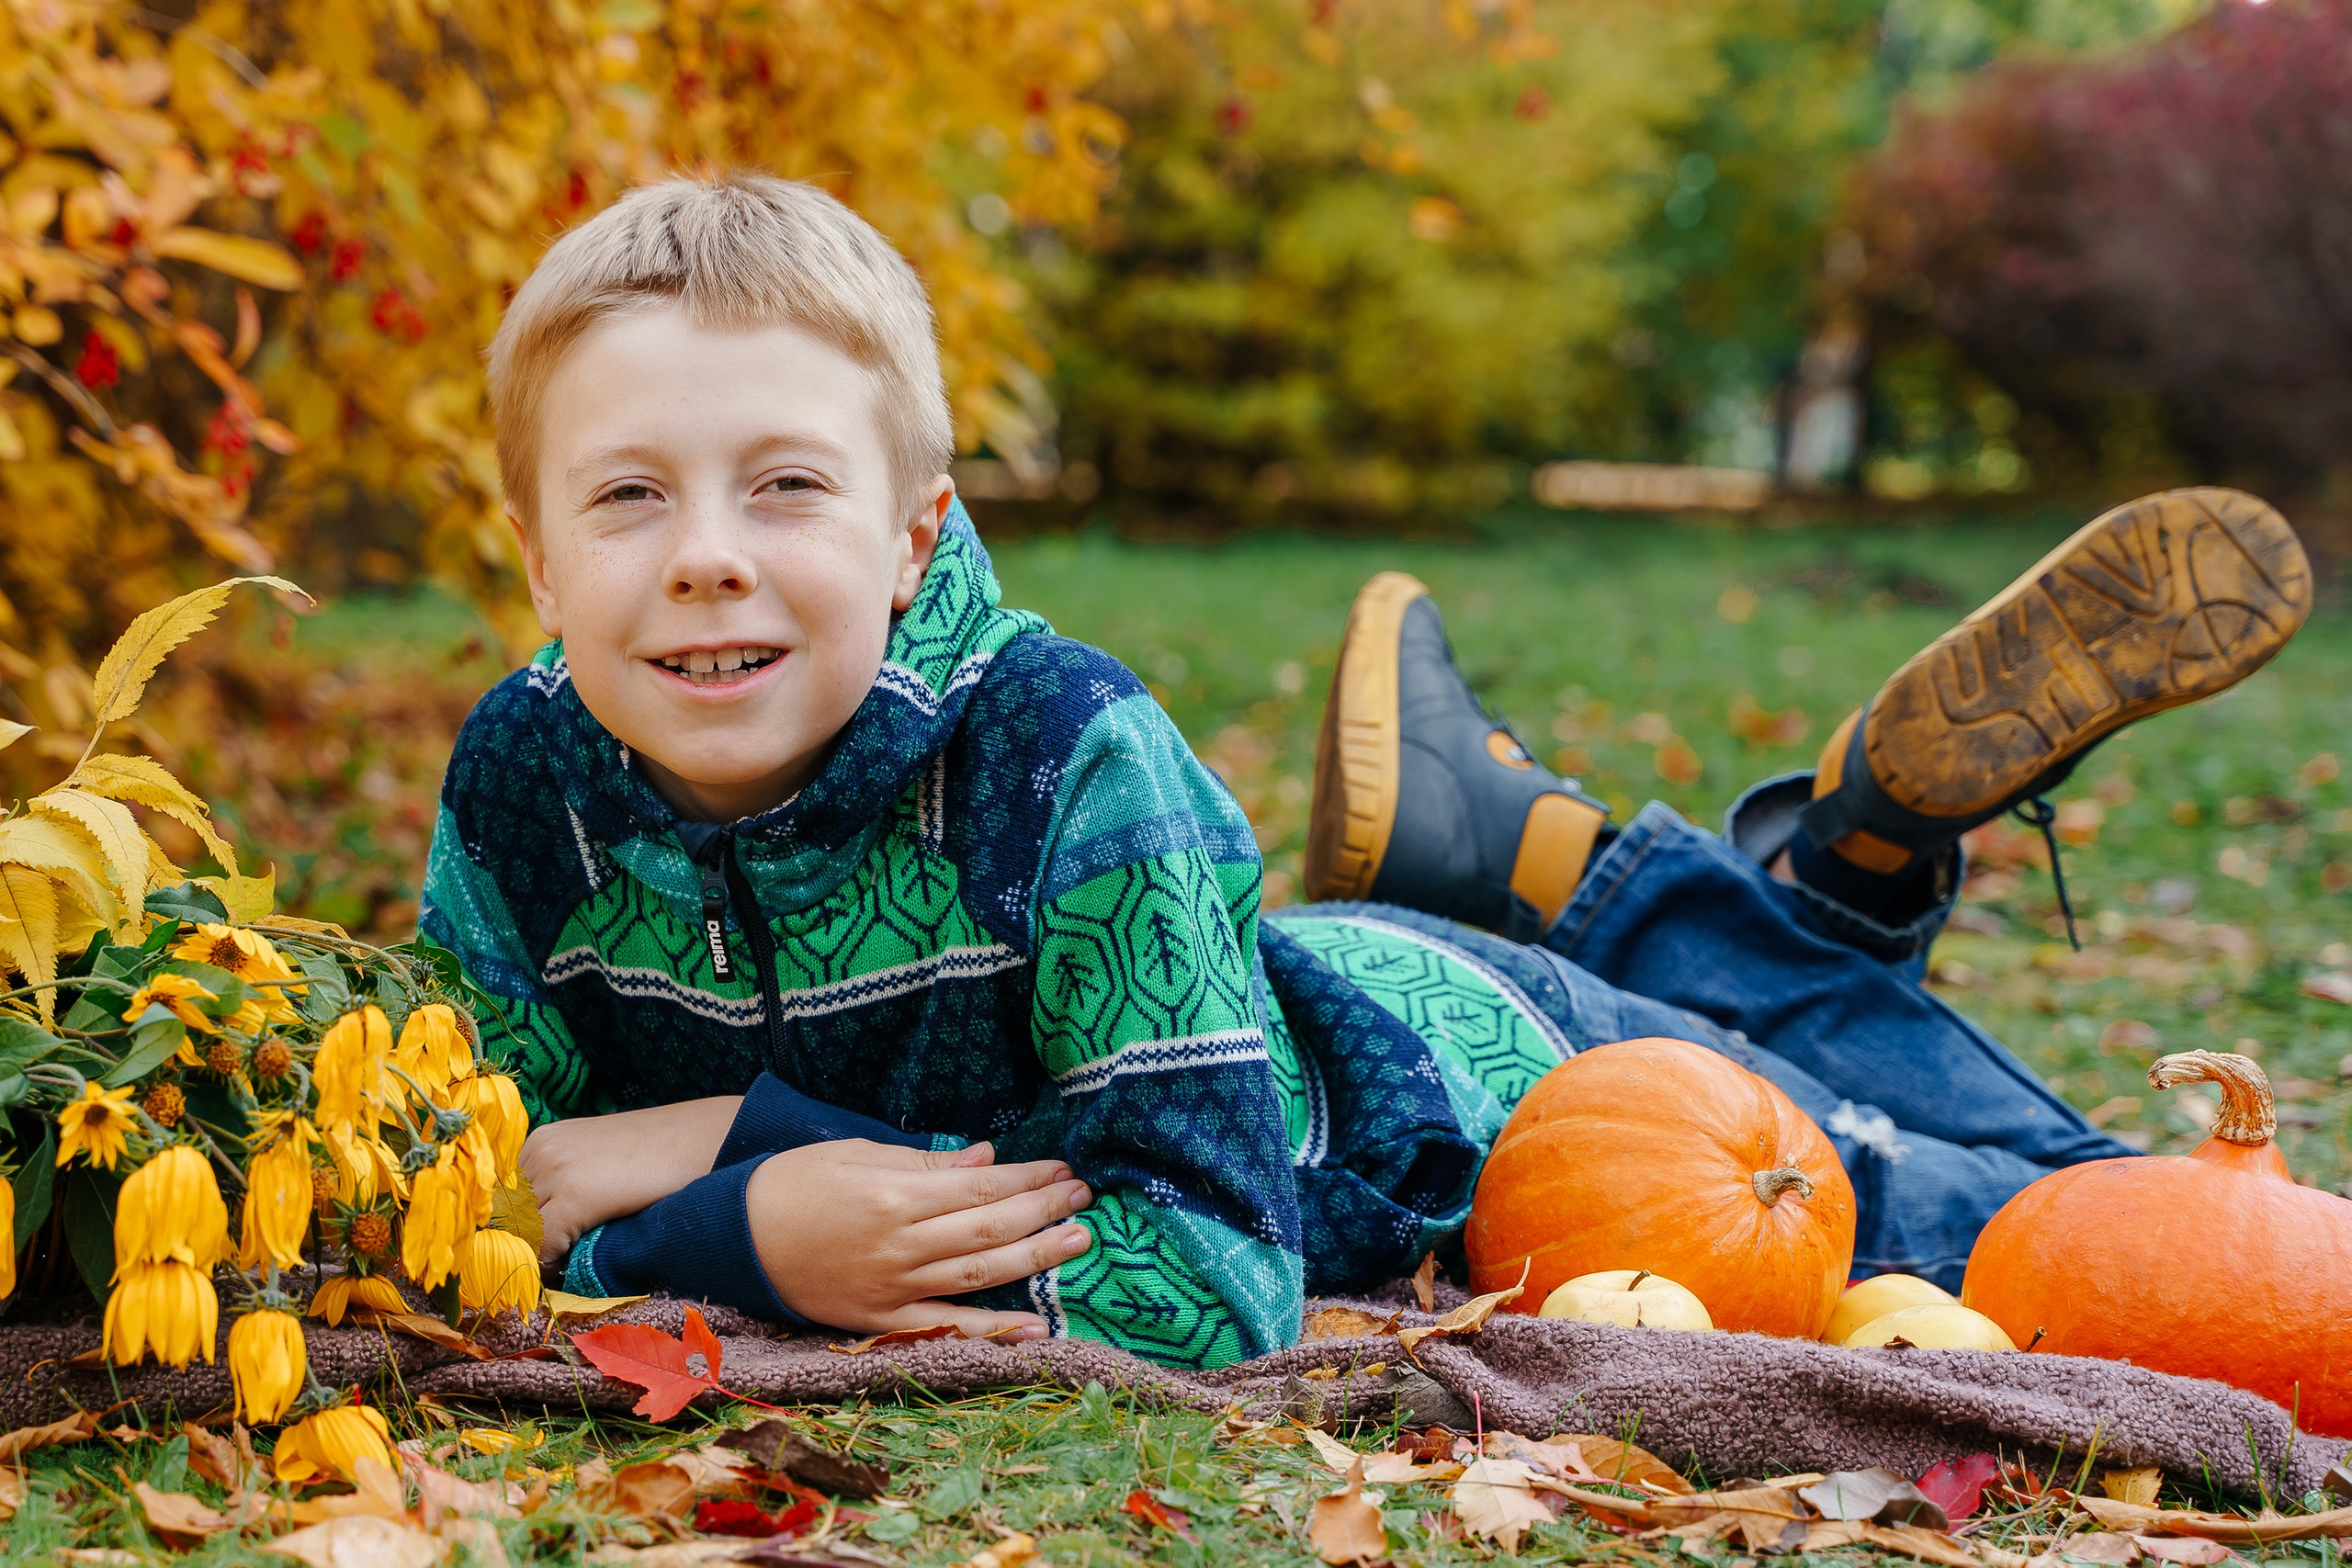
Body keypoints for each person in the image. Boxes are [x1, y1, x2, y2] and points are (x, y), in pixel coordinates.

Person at [421, 170, 2312, 1370]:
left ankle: (1726, 871)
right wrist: (641, 1191)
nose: (704, 554)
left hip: (1480, 1081)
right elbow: (453, 1182)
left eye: (784, 484)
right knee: (1948, 1162)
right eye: (627, 495)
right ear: (533, 559)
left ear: (916, 541)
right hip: (1277, 997)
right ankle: (1801, 868)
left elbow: (1219, 1272)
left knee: (2047, 1230)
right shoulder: (523, 785)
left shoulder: (1065, 755)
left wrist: (721, 1182)